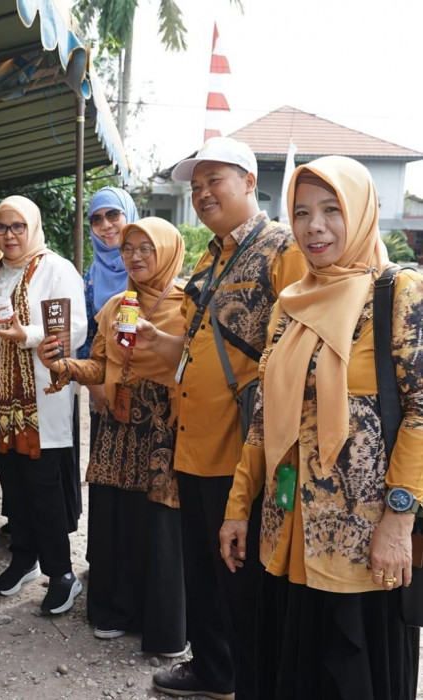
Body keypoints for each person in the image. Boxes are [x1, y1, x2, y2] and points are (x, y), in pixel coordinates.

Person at [219, 156, 422, 700]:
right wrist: (240, 505)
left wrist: (399, 524)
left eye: (332, 210)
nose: (315, 226)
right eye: (302, 212)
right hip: (285, 531)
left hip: (364, 542)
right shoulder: (289, 305)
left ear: (360, 213)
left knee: (353, 677)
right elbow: (264, 417)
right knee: (293, 671)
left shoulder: (398, 293)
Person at [138, 137, 307, 700]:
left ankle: (246, 676)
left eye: (216, 180)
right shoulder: (209, 257)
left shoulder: (282, 248)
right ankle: (212, 671)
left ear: (249, 183)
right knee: (205, 571)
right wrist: (157, 341)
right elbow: (195, 347)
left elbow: (300, 345)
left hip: (243, 449)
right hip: (194, 439)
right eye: (196, 184)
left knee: (239, 574)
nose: (203, 192)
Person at [38, 217, 188, 653]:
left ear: (168, 250)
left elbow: (197, 369)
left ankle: (162, 627)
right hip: (117, 430)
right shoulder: (116, 305)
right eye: (128, 249)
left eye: (146, 248)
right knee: (115, 521)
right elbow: (102, 367)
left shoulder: (189, 305)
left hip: (162, 432)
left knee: (158, 528)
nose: (135, 256)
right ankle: (114, 610)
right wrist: (65, 366)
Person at [0, 195, 87, 615]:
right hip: (1, 401)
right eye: (1, 227)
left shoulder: (57, 270)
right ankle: (24, 558)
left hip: (41, 399)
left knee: (43, 487)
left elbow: (74, 326)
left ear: (33, 227)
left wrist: (28, 335)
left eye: (17, 226)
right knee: (14, 484)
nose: (9, 235)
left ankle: (61, 573)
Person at [80, 188, 139, 431]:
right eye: (97, 219)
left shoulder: (151, 267)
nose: (106, 225)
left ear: (129, 215)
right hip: (104, 387)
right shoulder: (91, 278)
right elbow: (85, 337)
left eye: (114, 214)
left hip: (149, 387)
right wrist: (96, 389)